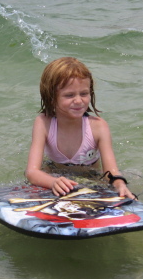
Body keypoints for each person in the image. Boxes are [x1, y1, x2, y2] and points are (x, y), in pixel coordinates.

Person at [25, 57, 136, 199]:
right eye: (69, 95)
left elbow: (110, 171)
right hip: (54, 177)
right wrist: (53, 182)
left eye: (84, 93)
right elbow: (32, 172)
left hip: (90, 178)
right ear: (52, 98)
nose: (78, 100)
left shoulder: (98, 127)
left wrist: (120, 184)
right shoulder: (43, 123)